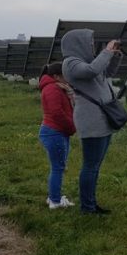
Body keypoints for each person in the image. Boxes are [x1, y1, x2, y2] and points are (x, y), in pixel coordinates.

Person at [61, 29, 122, 215]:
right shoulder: (71, 63)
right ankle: (87, 207)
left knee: (95, 166)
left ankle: (92, 203)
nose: (93, 46)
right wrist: (106, 52)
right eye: (90, 42)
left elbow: (107, 72)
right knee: (90, 165)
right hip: (91, 121)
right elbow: (92, 71)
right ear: (79, 43)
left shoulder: (90, 61)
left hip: (104, 119)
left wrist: (115, 56)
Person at [38, 62, 76, 209]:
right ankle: (55, 201)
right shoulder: (52, 89)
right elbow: (56, 113)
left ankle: (54, 196)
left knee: (58, 167)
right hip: (55, 132)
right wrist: (71, 126)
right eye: (65, 75)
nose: (68, 78)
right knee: (58, 168)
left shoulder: (57, 87)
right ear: (57, 76)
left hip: (57, 132)